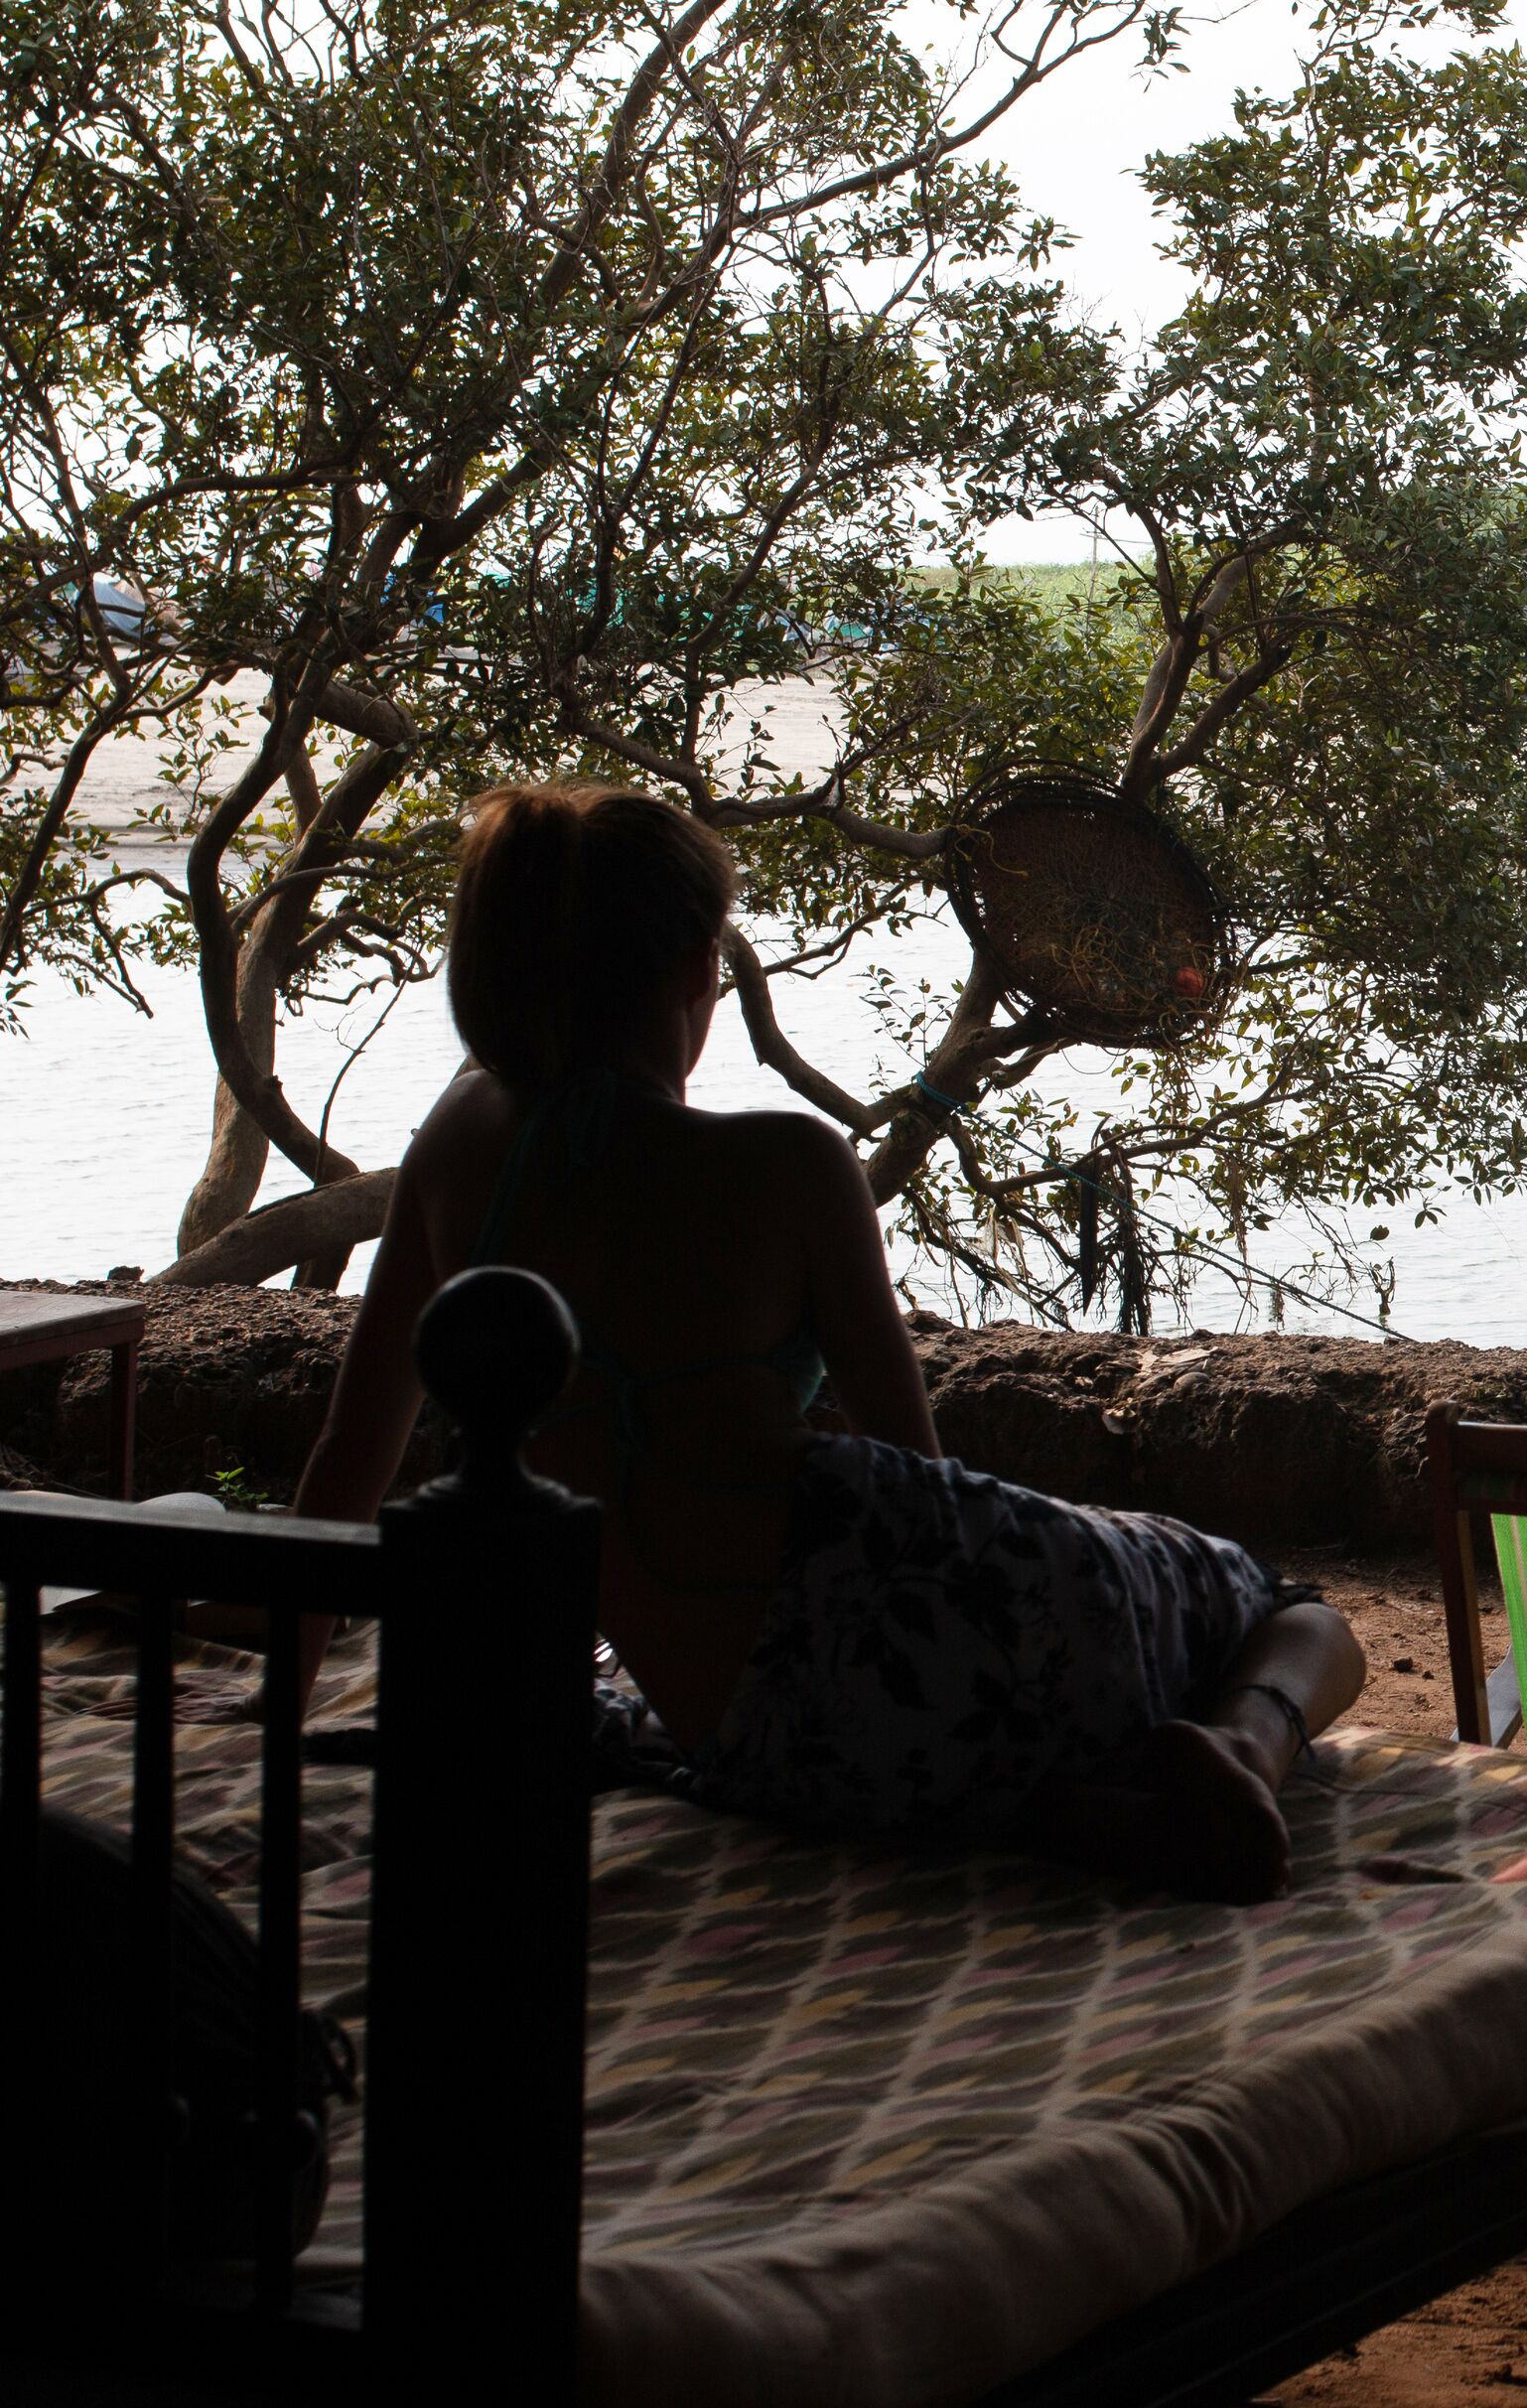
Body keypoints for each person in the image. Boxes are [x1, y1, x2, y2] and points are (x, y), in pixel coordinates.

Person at [289, 782, 1364, 1902]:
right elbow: (925, 1482)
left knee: (869, 1734)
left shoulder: (454, 1147)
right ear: (697, 969)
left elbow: (345, 1464)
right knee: (1292, 1609)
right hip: (914, 1635)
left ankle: (1058, 1806)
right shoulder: (789, 1165)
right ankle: (1244, 1747)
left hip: (744, 1734)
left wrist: (270, 1720)